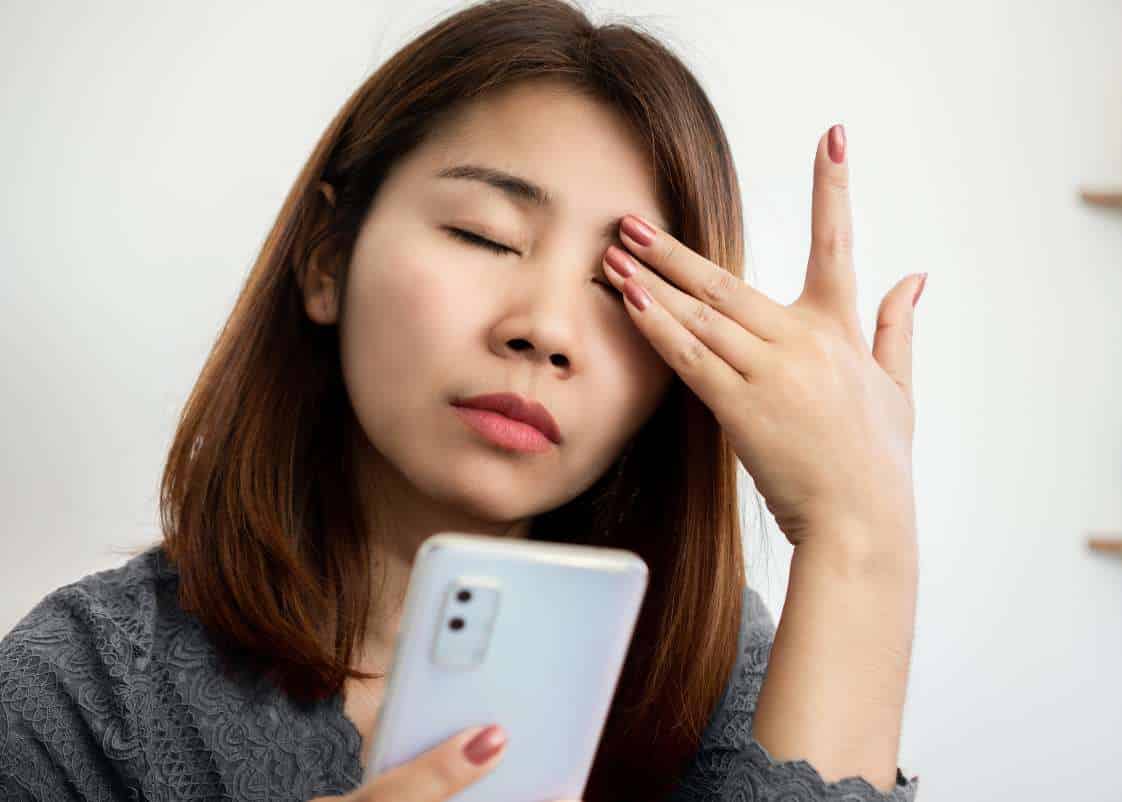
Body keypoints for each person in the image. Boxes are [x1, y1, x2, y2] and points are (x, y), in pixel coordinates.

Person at [0, 0, 925, 799]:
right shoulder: (81, 698)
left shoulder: (717, 678)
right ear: (327, 258)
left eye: (620, 283)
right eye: (484, 236)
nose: (545, 329)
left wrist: (861, 535)